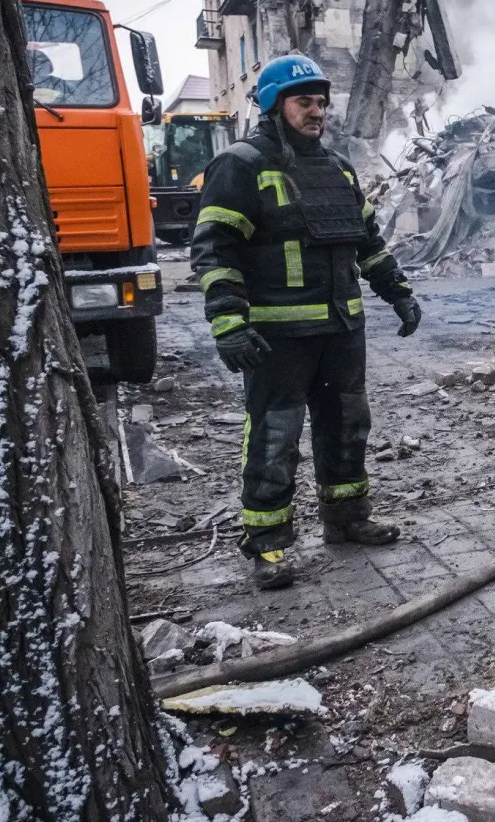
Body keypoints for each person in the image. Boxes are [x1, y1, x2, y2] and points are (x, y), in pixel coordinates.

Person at [192, 55, 423, 590]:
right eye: (305, 102)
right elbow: (214, 251)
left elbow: (367, 243)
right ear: (275, 107)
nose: (317, 111)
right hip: (279, 338)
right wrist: (228, 322)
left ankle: (347, 518)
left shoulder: (338, 169)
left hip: (342, 329)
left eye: (321, 102)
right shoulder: (241, 165)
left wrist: (398, 294)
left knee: (347, 425)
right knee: (275, 436)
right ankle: (267, 543)